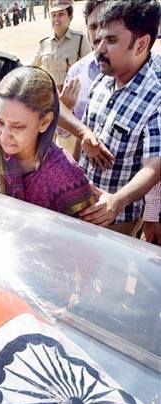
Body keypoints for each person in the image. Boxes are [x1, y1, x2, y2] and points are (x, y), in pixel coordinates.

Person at [77, 0, 161, 237]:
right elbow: (86, 131)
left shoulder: (156, 95)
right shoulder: (104, 76)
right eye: (100, 38)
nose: (99, 49)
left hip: (115, 221)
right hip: (80, 206)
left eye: (111, 40)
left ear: (141, 44)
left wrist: (117, 201)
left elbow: (154, 166)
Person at [0, 67, 95, 216]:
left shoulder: (67, 177)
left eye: (17, 126)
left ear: (44, 122)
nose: (4, 136)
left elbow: (81, 234)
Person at [57, 0, 108, 160]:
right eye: (93, 27)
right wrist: (67, 109)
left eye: (104, 25)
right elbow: (64, 133)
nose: (98, 33)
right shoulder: (78, 71)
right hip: (86, 169)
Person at [31, 0, 91, 91]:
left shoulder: (80, 39)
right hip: (50, 97)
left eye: (61, 14)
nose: (56, 19)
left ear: (70, 17)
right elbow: (32, 69)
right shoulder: (44, 43)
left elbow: (91, 68)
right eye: (53, 15)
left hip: (73, 96)